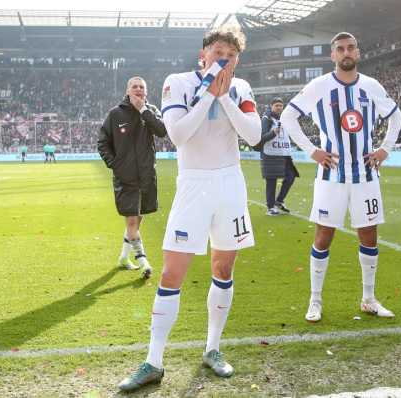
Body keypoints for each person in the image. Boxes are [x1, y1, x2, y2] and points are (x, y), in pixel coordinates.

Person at [117, 26, 261, 392]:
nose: (222, 57)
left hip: (230, 184)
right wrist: (208, 97)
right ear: (203, 54)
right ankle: (153, 361)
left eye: (229, 53)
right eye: (217, 51)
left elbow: (254, 135)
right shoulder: (178, 82)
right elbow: (178, 134)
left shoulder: (241, 88)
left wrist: (225, 97)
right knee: (171, 273)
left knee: (223, 266)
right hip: (194, 184)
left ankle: (212, 348)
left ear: (237, 59)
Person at [280, 32, 401, 323]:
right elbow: (288, 117)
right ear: (333, 55)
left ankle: (369, 299)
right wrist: (312, 150)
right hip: (331, 176)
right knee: (324, 236)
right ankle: (315, 301)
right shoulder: (320, 86)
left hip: (365, 175)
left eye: (350, 48)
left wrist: (385, 149)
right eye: (340, 49)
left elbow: (395, 117)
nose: (346, 52)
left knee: (369, 234)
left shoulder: (371, 86)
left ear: (357, 53)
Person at [98, 76, 167, 278]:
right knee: (131, 223)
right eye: (134, 86)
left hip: (146, 176)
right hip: (125, 178)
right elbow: (102, 143)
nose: (138, 89)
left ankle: (123, 257)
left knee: (137, 221)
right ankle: (143, 261)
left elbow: (162, 131)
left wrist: (143, 111)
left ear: (146, 91)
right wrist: (116, 165)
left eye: (141, 87)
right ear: (128, 91)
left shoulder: (151, 111)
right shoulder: (115, 114)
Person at [257, 97, 299, 215]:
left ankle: (279, 201)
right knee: (272, 181)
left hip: (284, 154)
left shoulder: (284, 119)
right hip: (270, 154)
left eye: (281, 105)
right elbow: (261, 137)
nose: (279, 107)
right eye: (277, 105)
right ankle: (270, 207)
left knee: (290, 177)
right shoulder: (266, 119)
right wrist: (273, 133)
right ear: (271, 106)